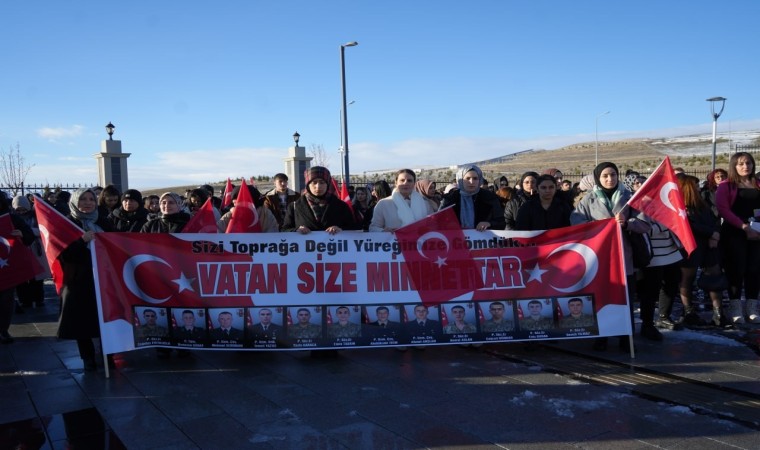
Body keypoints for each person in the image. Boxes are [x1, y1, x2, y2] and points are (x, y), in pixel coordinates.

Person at [571, 162, 650, 351]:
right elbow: (576, 223)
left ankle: (626, 337)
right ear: (598, 178)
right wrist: (597, 227)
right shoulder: (588, 200)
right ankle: (602, 336)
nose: (609, 179)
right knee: (601, 298)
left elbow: (645, 223)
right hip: (599, 258)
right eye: (605, 176)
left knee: (625, 298)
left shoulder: (630, 197)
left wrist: (627, 223)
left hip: (624, 257)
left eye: (613, 175)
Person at [57, 188, 114, 370]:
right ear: (75, 202)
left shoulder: (104, 222)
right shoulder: (67, 224)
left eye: (91, 199)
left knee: (105, 317)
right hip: (78, 279)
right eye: (83, 199)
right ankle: (87, 356)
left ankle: (108, 355)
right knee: (82, 320)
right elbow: (63, 254)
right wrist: (82, 241)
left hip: (103, 278)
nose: (88, 202)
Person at [716, 152, 760, 324]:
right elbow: (723, 210)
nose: (745, 166)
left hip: (757, 233)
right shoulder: (726, 186)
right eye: (741, 163)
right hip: (735, 233)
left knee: (754, 270)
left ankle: (752, 307)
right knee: (736, 269)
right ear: (734, 166)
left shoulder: (757, 184)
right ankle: (735, 306)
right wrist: (744, 227)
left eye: (748, 163)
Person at [678, 174, 726, 327]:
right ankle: (689, 312)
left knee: (714, 277)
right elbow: (689, 225)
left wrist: (715, 234)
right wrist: (711, 233)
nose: (698, 188)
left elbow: (715, 219)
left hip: (709, 245)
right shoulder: (681, 207)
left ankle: (718, 314)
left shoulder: (702, 204)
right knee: (687, 279)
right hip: (691, 246)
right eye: (695, 186)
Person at [0, 191, 35, 344]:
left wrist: (21, 234)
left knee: (6, 300)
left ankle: (3, 329)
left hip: (7, 266)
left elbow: (29, 236)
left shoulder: (11, 218)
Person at [282, 166, 357, 234]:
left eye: (322, 182)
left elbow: (353, 228)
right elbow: (285, 229)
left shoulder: (341, 206)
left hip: (334, 244)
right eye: (314, 183)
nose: (318, 186)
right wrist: (296, 230)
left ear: (327, 184)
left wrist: (340, 229)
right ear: (308, 185)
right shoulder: (294, 206)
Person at [12, 195, 50, 309]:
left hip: (35, 248)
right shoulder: (11, 218)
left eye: (23, 209)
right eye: (18, 210)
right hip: (19, 249)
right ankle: (25, 301)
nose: (21, 212)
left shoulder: (36, 216)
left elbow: (43, 229)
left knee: (37, 277)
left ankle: (39, 299)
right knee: (22, 278)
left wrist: (28, 232)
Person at [440, 165, 505, 230]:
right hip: (455, 236)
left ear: (480, 180)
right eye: (467, 178)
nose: (471, 182)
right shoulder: (450, 199)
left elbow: (501, 222)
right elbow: (438, 221)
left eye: (475, 178)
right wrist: (449, 224)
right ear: (461, 180)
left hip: (483, 236)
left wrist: (489, 223)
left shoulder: (490, 198)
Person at [370, 169, 437, 232]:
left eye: (409, 180)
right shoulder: (383, 204)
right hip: (394, 240)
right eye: (402, 180)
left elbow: (432, 225)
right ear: (396, 183)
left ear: (414, 183)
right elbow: (373, 228)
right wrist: (383, 231)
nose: (405, 183)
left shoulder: (425, 204)